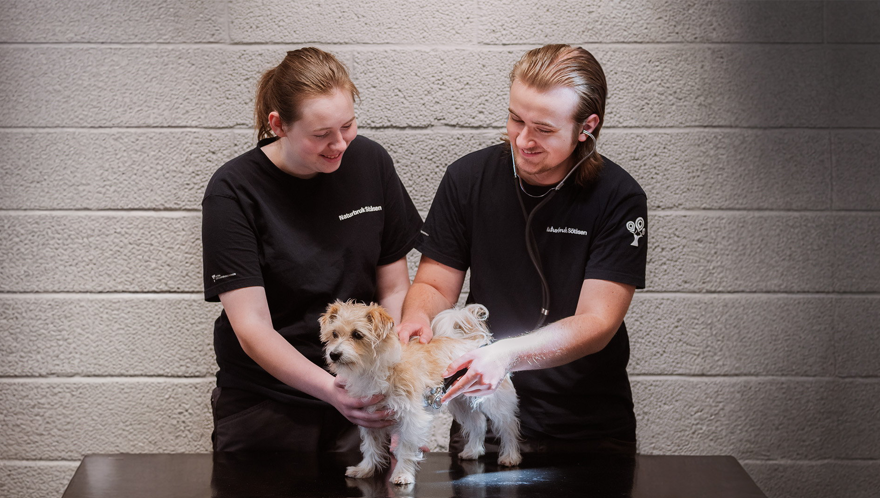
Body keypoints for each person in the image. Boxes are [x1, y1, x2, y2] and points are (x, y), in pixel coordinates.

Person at [398, 44, 647, 453]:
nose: (524, 140)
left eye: (545, 129)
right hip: (484, 420)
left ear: (587, 126)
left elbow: (597, 321)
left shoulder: (619, 198)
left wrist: (506, 355)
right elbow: (436, 286)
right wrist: (416, 318)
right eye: (516, 119)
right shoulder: (467, 178)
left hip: (586, 428)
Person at [202, 47, 422, 452]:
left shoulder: (370, 162)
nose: (339, 144)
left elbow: (393, 290)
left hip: (361, 391)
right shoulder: (233, 190)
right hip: (268, 407)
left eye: (348, 125)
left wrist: (389, 379)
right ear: (279, 125)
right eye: (321, 135)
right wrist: (331, 389)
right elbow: (252, 328)